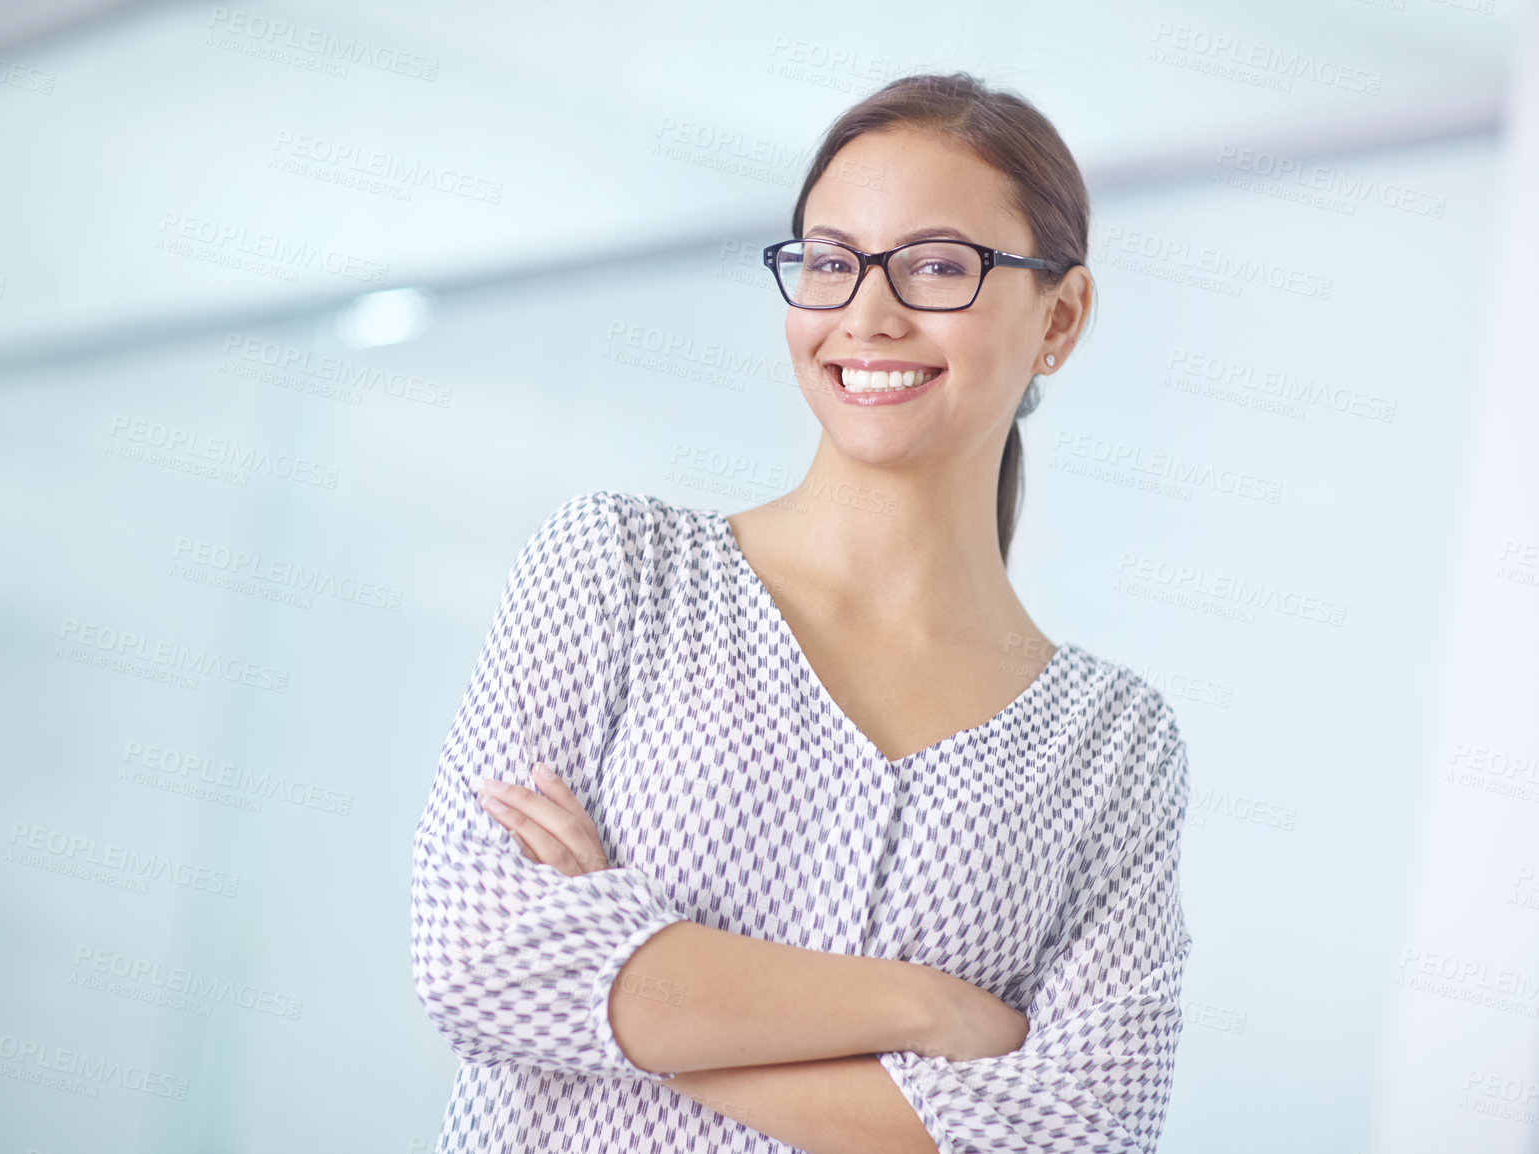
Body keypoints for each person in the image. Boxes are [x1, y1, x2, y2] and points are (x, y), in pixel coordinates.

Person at [410, 71, 1193, 1154]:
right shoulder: (619, 568)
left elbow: (1081, 1132)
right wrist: (931, 1008)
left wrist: (634, 968)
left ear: (1058, 317)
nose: (865, 315)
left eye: (936, 267)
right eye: (829, 263)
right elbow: (480, 957)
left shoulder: (1112, 744)